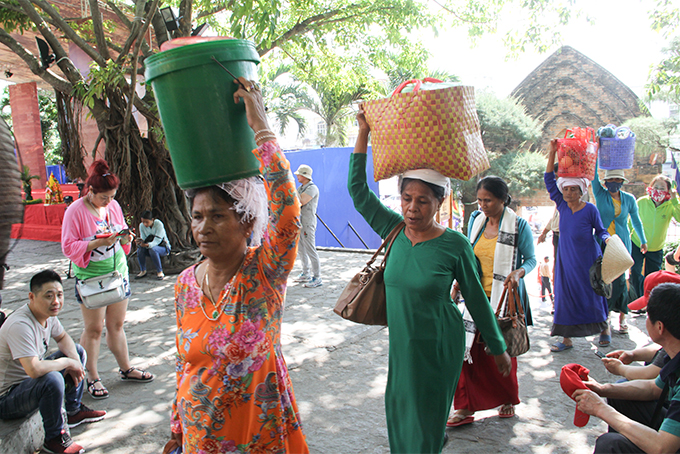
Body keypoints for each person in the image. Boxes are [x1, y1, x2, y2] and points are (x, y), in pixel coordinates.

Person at [348, 107, 511, 453]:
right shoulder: (393, 230)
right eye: (407, 199)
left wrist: (497, 348)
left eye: (423, 201)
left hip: (438, 346)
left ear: (439, 202)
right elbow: (358, 192)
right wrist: (363, 132)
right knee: (400, 417)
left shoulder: (454, 245)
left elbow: (476, 298)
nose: (412, 208)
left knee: (421, 428)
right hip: (402, 346)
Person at [165, 77, 309, 454]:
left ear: (247, 220)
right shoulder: (185, 284)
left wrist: (261, 127)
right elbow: (185, 362)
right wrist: (177, 427)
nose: (203, 227)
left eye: (217, 216)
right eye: (197, 216)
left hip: (257, 435)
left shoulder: (264, 272)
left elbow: (289, 215)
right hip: (200, 439)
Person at [61, 160, 153, 400]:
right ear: (90, 191)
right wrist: (96, 243)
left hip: (117, 273)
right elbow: (68, 247)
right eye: (104, 197)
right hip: (92, 277)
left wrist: (125, 237)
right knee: (94, 329)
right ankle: (92, 376)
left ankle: (126, 368)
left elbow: (121, 232)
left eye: (112, 197)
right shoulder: (76, 211)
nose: (109, 202)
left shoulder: (113, 207)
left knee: (117, 325)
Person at [448, 176, 536, 426]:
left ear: (502, 200)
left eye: (488, 200)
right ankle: (465, 407)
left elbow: (530, 260)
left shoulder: (519, 226)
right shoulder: (476, 221)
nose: (483, 205)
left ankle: (507, 398)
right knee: (468, 352)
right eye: (480, 200)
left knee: (502, 349)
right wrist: (457, 282)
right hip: (475, 296)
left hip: (504, 298)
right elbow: (467, 256)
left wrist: (519, 272)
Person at [0, 270, 106, 454]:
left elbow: (63, 337)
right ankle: (54, 438)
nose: (56, 301)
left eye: (59, 294)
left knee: (78, 352)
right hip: (8, 398)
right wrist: (68, 363)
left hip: (28, 384)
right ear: (32, 297)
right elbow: (34, 370)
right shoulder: (20, 325)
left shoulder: (47, 315)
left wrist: (74, 361)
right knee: (52, 379)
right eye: (48, 296)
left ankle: (73, 411)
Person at [573, 282, 680, 454]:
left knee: (610, 445)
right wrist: (603, 389)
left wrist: (600, 409)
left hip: (669, 445)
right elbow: (653, 388)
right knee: (621, 395)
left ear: (659, 327)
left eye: (648, 316)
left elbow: (663, 448)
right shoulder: (673, 354)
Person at [545, 140, 611, 352]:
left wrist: (608, 238)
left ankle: (604, 329)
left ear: (581, 191)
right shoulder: (562, 205)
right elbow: (548, 180)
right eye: (566, 188)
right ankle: (566, 339)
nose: (569, 192)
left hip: (588, 260)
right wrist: (552, 152)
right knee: (565, 296)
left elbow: (600, 230)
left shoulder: (590, 209)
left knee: (594, 293)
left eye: (574, 189)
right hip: (566, 261)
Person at [591, 166, 647, 338]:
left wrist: (643, 240)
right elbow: (593, 174)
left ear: (622, 182)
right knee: (603, 280)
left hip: (622, 244)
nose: (614, 183)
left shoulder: (629, 199)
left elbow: (636, 221)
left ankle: (623, 316)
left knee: (621, 280)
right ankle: (604, 315)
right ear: (605, 182)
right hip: (603, 243)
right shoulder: (600, 194)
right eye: (611, 180)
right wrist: (597, 150)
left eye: (617, 180)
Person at [630, 175, 680, 301]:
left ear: (668, 191)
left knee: (652, 276)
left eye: (662, 188)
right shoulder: (641, 202)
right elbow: (632, 221)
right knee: (635, 271)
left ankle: (649, 301)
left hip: (656, 247)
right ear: (651, 187)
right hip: (637, 243)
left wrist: (675, 200)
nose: (658, 190)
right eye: (656, 186)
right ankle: (638, 299)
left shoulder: (670, 206)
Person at [293, 164, 322, 288]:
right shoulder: (301, 188)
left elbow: (300, 202)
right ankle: (306, 273)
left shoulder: (311, 188)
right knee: (301, 249)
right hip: (300, 223)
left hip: (307, 223)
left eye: (299, 174)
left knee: (310, 249)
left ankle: (317, 277)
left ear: (304, 176)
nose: (297, 176)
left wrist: (292, 189)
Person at [135, 210, 170, 280]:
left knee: (153, 249)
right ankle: (143, 270)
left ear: (152, 220)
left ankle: (159, 271)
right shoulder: (141, 226)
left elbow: (157, 240)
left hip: (163, 248)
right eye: (143, 222)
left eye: (147, 222)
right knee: (140, 250)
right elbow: (144, 238)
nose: (145, 224)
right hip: (149, 247)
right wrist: (140, 242)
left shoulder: (158, 224)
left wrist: (147, 245)